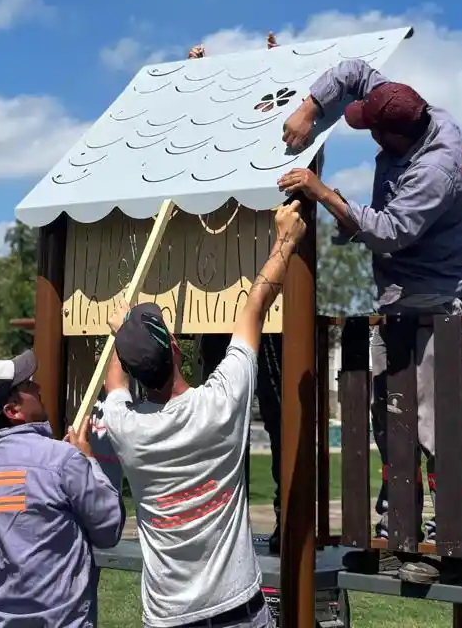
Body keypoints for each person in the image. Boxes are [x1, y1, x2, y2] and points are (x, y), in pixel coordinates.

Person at [277, 58, 462, 584]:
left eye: (375, 132)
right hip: (399, 302)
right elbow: (351, 70)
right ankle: (397, 536)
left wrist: (324, 195)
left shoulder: (435, 171)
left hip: (438, 305)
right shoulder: (405, 103)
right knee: (392, 423)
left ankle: (446, 543)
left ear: (400, 135)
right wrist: (309, 107)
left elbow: (390, 230)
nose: (370, 139)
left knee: (434, 426)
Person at [101, 199, 308, 628]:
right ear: (178, 349)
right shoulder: (220, 404)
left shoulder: (125, 428)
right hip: (238, 611)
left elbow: (113, 384)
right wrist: (285, 239)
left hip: (169, 618)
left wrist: (124, 334)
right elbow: (255, 305)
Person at [189, 34, 285, 554]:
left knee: (279, 418)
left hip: (270, 310)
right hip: (216, 302)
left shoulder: (281, 151)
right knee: (221, 420)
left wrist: (279, 70)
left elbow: (297, 129)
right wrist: (193, 82)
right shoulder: (211, 156)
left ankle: (289, 521)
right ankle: (226, 524)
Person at [0, 348, 125, 627]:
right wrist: (89, 461)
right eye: (26, 386)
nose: (38, 386)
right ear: (13, 410)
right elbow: (109, 529)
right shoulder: (61, 459)